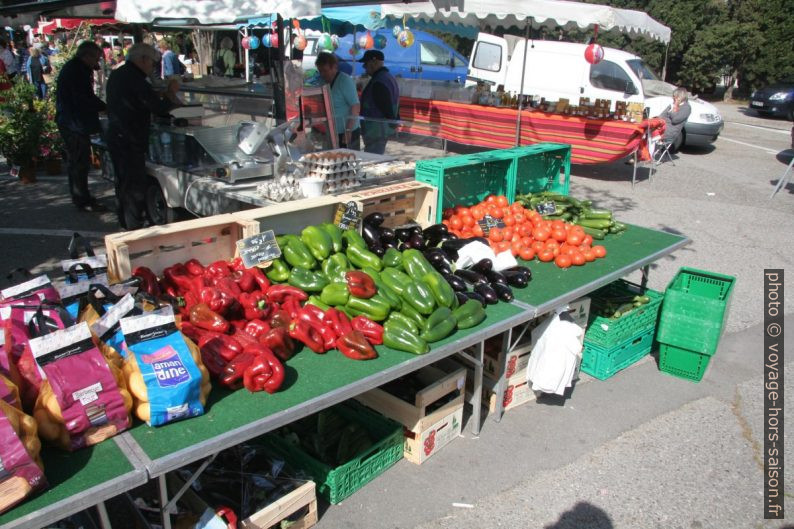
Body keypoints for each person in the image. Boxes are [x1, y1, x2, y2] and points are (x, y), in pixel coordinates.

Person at [106, 43, 180, 229]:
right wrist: (170, 94)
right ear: (143, 59)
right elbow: (157, 107)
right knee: (134, 184)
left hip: (118, 134)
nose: (152, 67)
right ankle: (134, 226)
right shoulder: (135, 79)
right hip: (130, 137)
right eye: (152, 62)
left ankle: (125, 220)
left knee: (123, 182)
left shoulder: (118, 74)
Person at [55, 41, 108, 212]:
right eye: (96, 59)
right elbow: (83, 98)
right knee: (79, 161)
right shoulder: (76, 70)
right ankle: (81, 199)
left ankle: (81, 196)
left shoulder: (76, 68)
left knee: (79, 161)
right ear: (87, 56)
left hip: (72, 121)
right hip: (73, 123)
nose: (97, 63)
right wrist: (106, 107)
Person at [315, 52, 360, 150]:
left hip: (347, 131)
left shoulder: (345, 81)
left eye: (325, 70)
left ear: (334, 67)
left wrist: (348, 130)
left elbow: (355, 106)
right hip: (331, 131)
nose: (322, 74)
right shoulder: (322, 81)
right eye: (320, 71)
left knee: (348, 162)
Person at [358, 50, 399, 155]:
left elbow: (386, 107)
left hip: (376, 131)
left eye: (365, 64)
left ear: (373, 62)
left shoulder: (378, 82)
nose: (364, 67)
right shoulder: (388, 77)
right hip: (380, 131)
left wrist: (393, 123)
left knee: (372, 159)